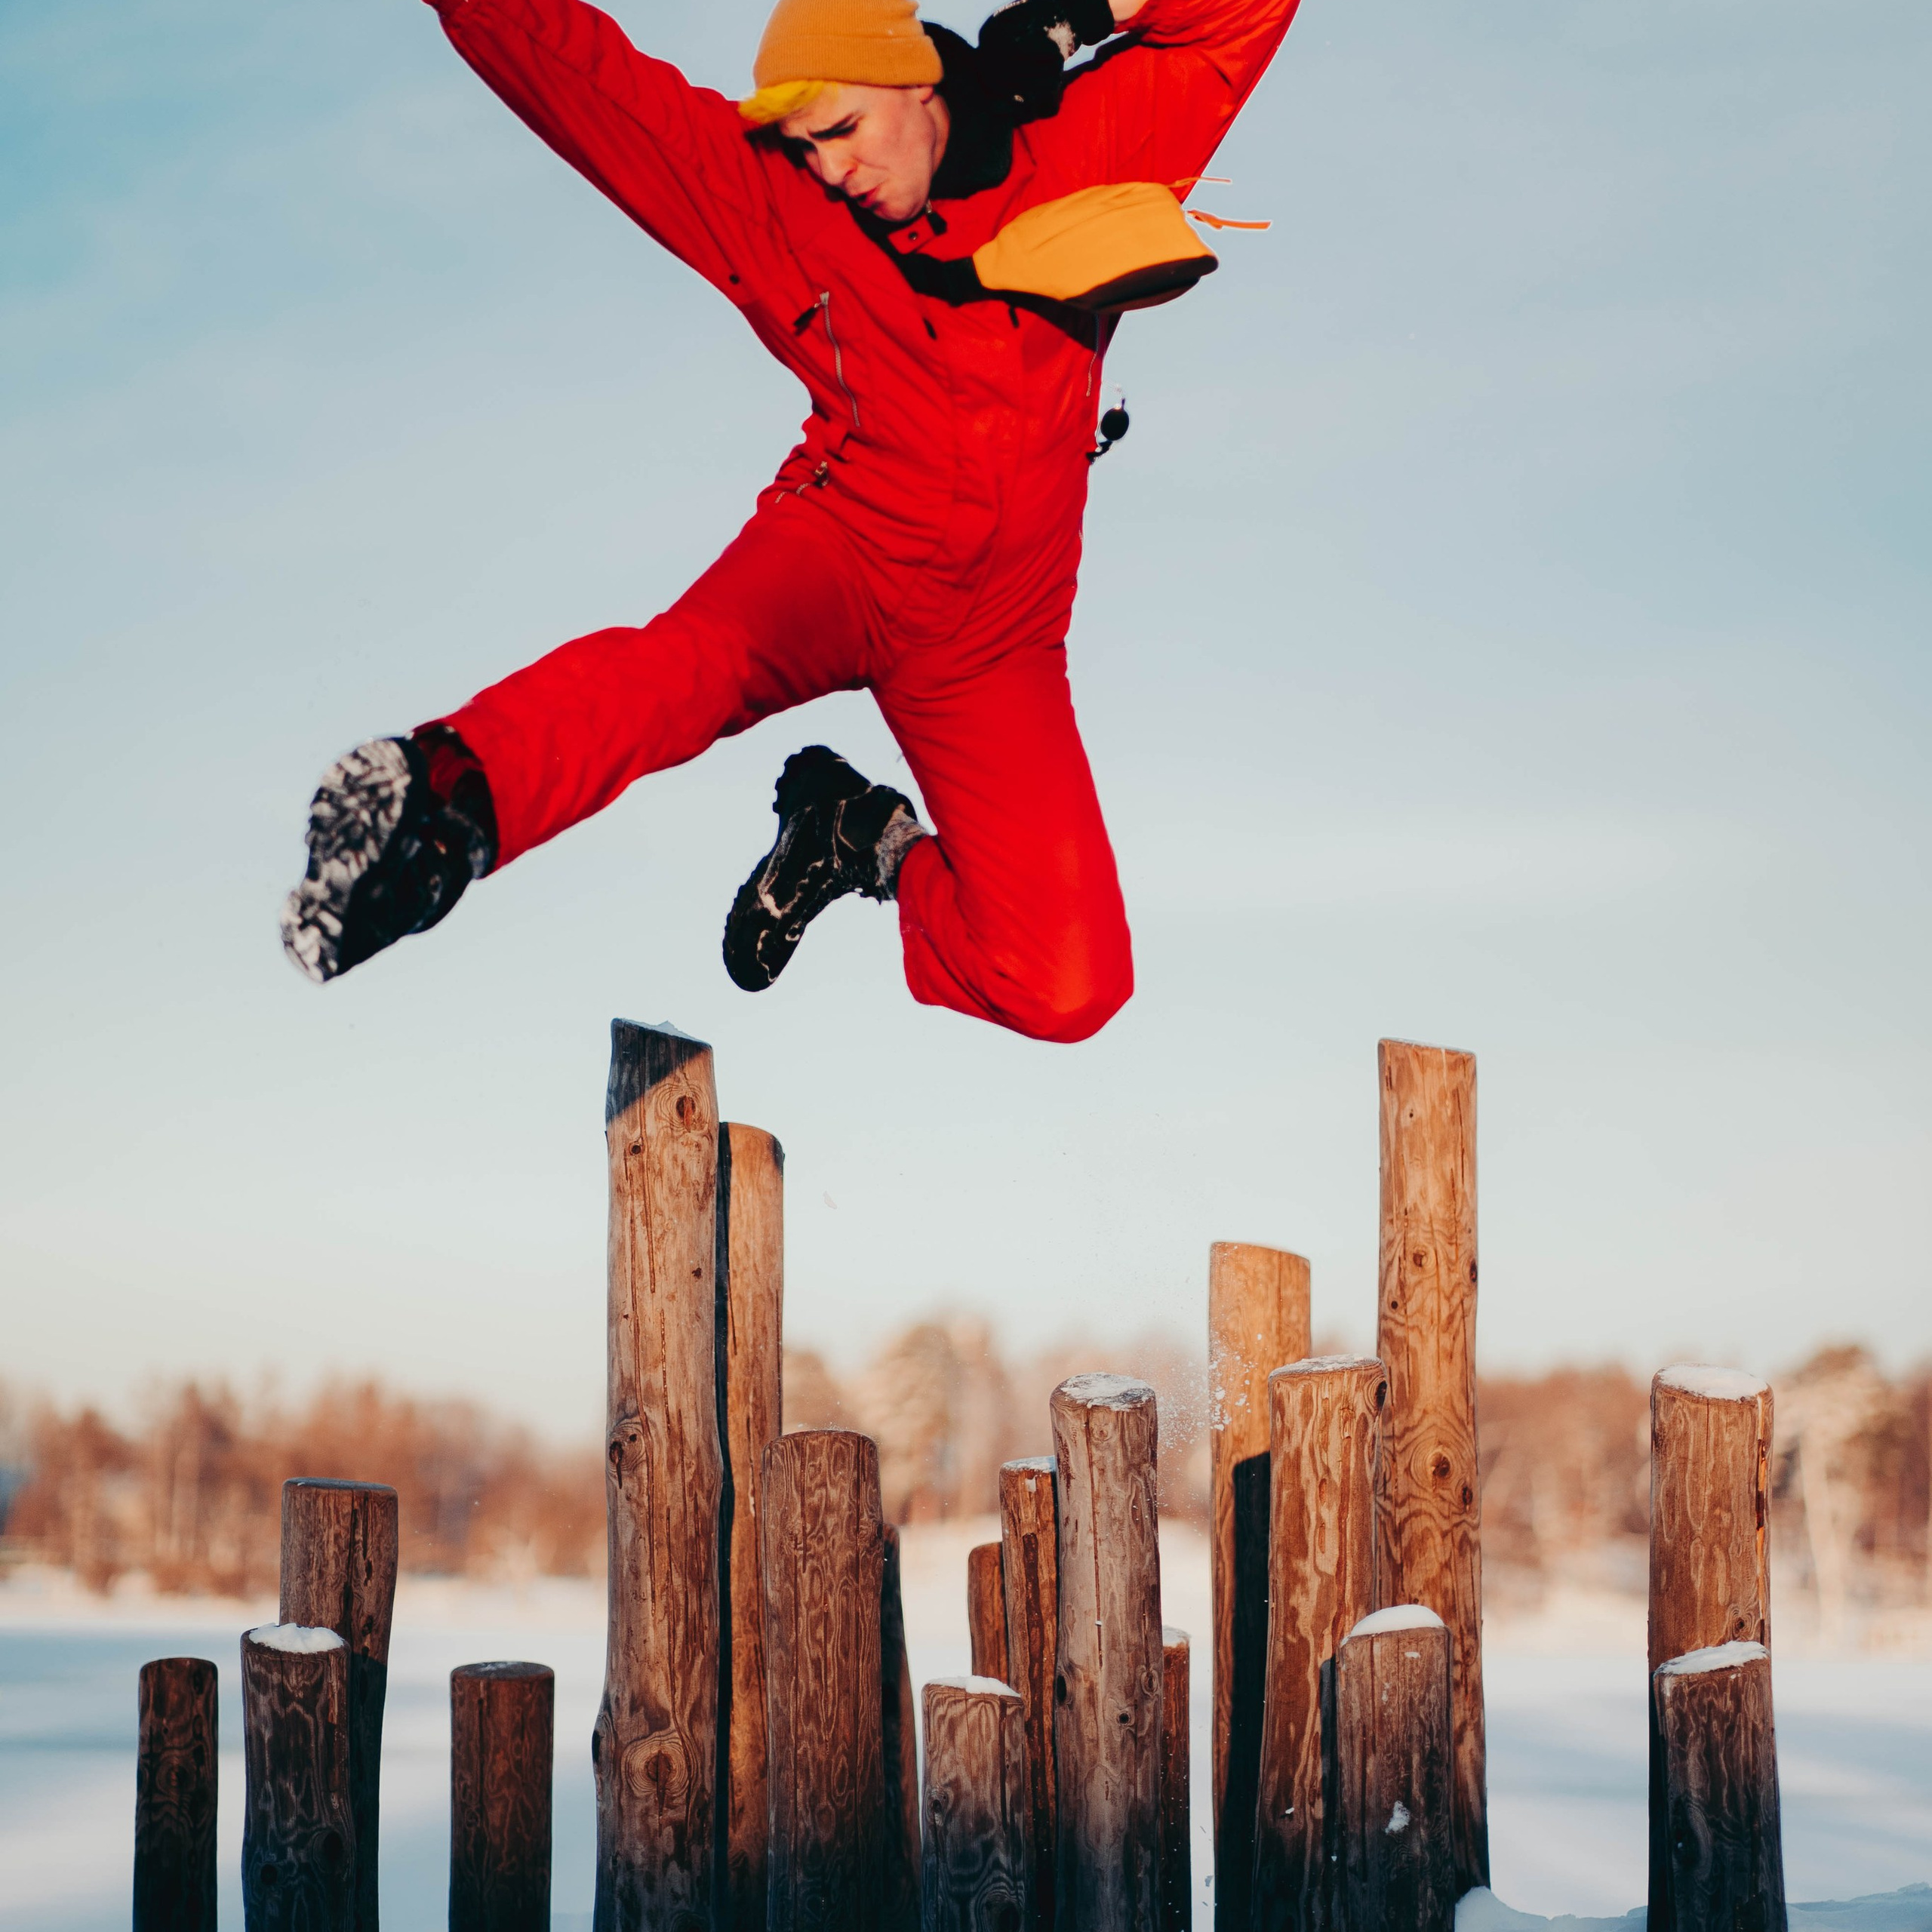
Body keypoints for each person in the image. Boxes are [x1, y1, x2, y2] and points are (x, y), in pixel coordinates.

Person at [281, 0, 1300, 1042]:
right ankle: (438, 806)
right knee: (694, 669)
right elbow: (577, 71)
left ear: (915, 80)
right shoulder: (774, 197)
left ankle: (856, 836)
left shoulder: (1086, 146)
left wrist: (1075, 13)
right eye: (807, 146)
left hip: (997, 639)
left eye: (843, 130)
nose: (830, 168)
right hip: (844, 554)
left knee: (1064, 985)